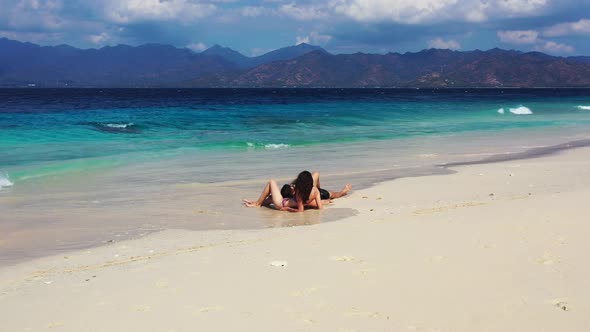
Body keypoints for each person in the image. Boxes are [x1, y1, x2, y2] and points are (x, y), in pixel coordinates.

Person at [243, 170, 323, 212]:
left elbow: (300, 211)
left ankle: (257, 204)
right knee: (269, 200)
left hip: (281, 204)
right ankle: (257, 202)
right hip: (287, 202)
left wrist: (287, 209)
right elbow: (320, 207)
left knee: (271, 182)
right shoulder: (315, 191)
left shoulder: (300, 193)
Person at [281, 171, 351, 202]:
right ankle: (343, 192)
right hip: (319, 194)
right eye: (292, 187)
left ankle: (318, 189)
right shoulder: (298, 197)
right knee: (333, 194)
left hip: (314, 190)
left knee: (316, 174)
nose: (293, 186)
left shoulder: (297, 191)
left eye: (292, 185)